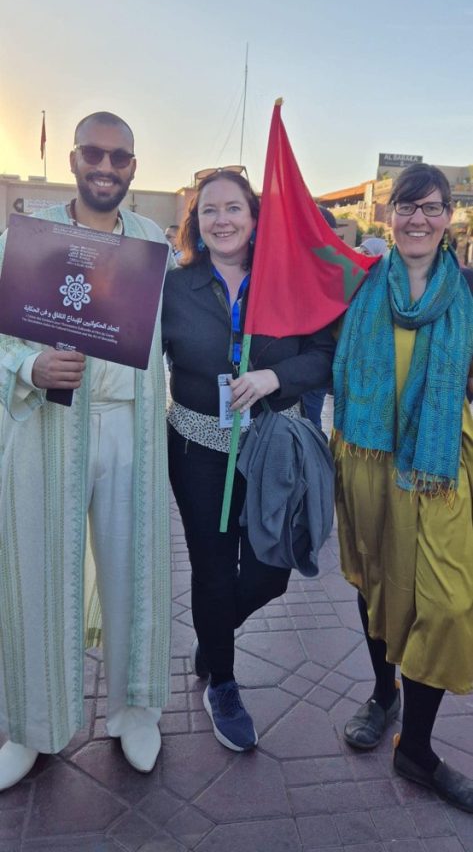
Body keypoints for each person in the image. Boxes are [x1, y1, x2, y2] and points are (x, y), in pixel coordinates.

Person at [0, 111, 172, 789]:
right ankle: (29, 726)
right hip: (47, 423)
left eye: (120, 158)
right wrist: (26, 370)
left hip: (131, 426)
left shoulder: (152, 238)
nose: (106, 168)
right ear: (74, 158)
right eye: (94, 155)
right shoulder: (29, 234)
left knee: (136, 570)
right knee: (37, 570)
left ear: (134, 166)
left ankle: (135, 710)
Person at [162, 169, 335, 752]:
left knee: (272, 568)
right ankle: (225, 685)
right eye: (209, 210)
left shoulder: (287, 282)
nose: (222, 220)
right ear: (196, 221)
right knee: (211, 570)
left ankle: (213, 638)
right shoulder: (173, 286)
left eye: (234, 208)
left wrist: (273, 376)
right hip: (196, 450)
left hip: (268, 451)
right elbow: (134, 350)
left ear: (255, 217)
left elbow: (323, 357)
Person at [332, 163, 473, 812]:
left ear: (449, 217)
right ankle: (382, 694)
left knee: (444, 603)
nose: (418, 219)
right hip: (365, 458)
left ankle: (414, 745)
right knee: (375, 583)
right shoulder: (357, 285)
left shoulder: (468, 290)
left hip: (439, 467)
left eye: (431, 207)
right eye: (405, 207)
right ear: (386, 216)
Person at [302, 205, 337, 431]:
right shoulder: (331, 267)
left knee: (310, 421)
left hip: (316, 363)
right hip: (302, 361)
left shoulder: (334, 268)